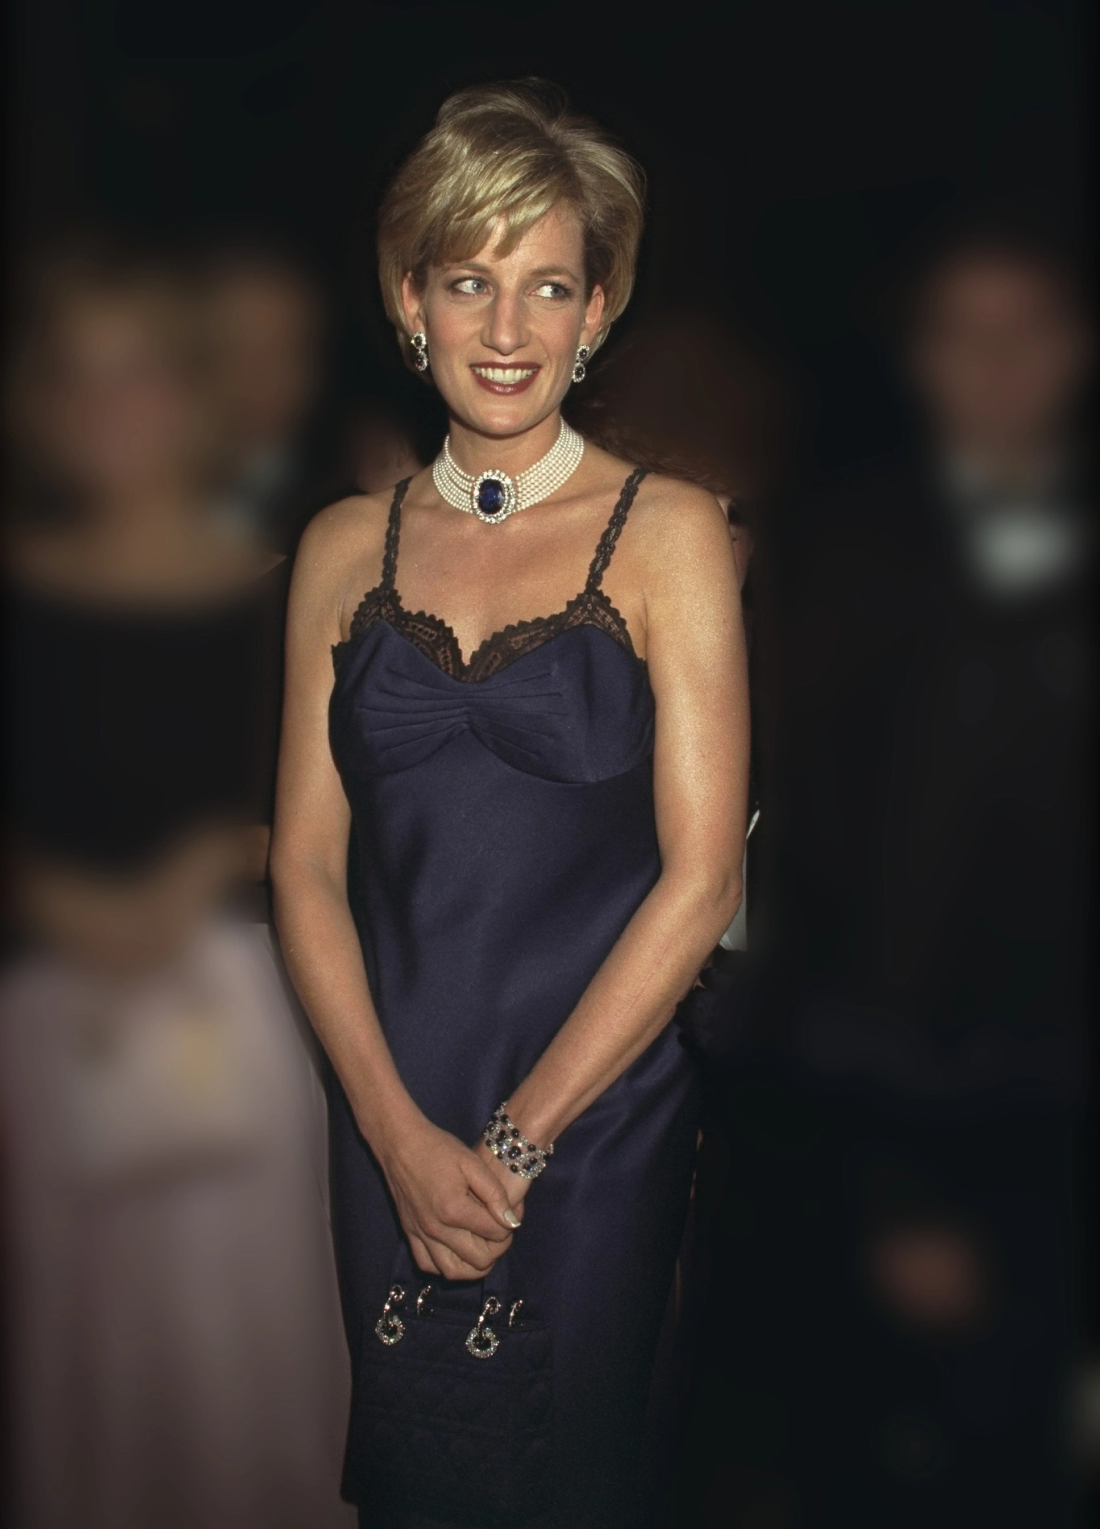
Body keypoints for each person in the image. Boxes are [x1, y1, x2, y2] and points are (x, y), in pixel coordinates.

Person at [271, 80, 749, 1529]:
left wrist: (518, 1142)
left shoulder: (670, 532)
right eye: (470, 279)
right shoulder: (341, 547)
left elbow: (703, 881)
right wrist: (395, 1136)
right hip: (387, 1104)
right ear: (408, 295)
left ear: (596, 311)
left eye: (547, 285)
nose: (506, 326)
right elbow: (304, 869)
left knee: (576, 1484)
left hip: (591, 1113)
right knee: (418, 1487)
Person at [682, 226, 1092, 1528]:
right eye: (963, 332)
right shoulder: (843, 556)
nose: (999, 362)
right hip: (907, 1107)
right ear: (919, 360)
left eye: (1028, 327)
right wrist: (896, 1180)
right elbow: (825, 862)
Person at [1, 241, 354, 1529]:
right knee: (81, 1387)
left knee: (243, 1379)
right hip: (44, 1025)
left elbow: (357, 823)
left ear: (195, 393)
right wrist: (47, 893)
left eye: (140, 371)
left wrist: (209, 864)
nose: (111, 406)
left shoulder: (291, 584)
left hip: (240, 1018)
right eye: (77, 373)